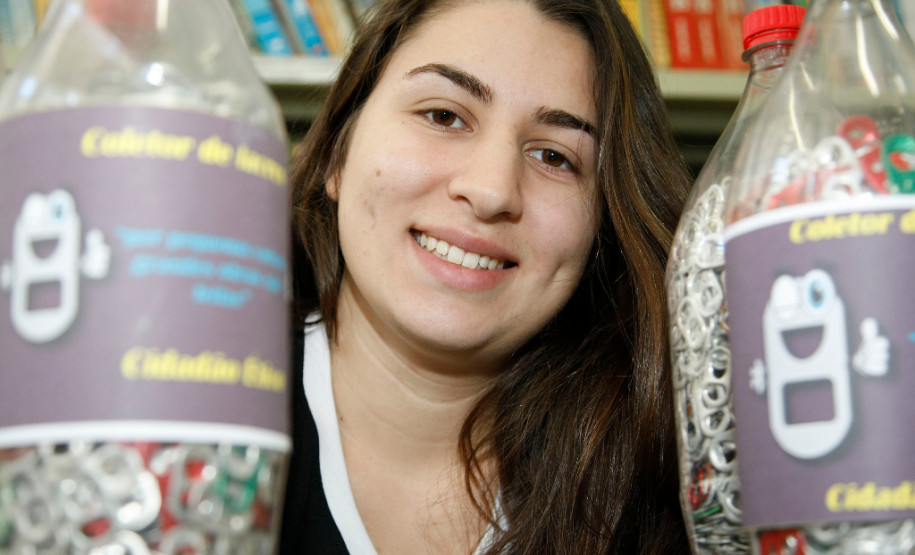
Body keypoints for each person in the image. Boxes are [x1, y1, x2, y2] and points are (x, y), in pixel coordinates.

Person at [279, 0, 691, 552]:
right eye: (443, 116)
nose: (493, 190)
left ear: (603, 229)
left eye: (553, 155)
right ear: (336, 151)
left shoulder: (671, 483)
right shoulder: (180, 394)